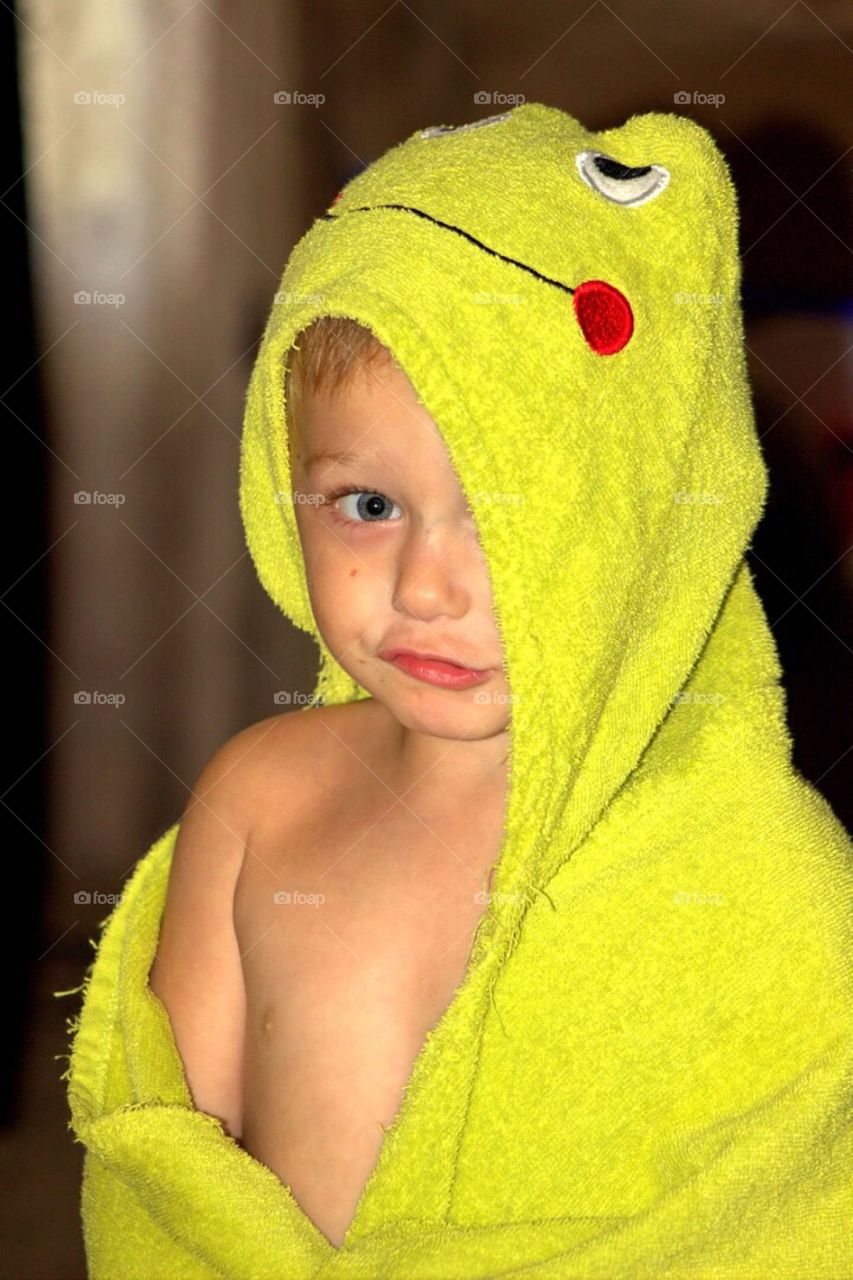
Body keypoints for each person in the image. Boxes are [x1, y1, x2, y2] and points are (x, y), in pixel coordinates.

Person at [61, 102, 853, 1279]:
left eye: (511, 516)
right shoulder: (256, 801)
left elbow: (778, 1217)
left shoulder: (755, 869)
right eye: (368, 505)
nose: (426, 585)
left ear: (652, 518)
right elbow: (161, 1169)